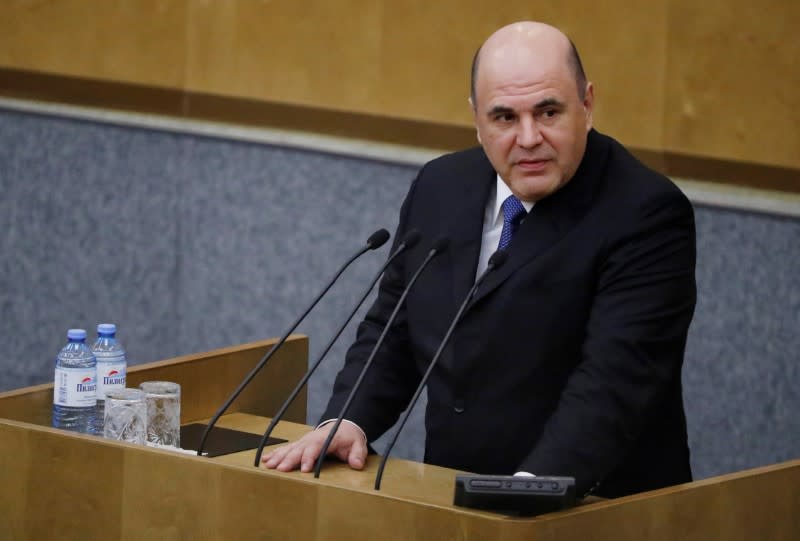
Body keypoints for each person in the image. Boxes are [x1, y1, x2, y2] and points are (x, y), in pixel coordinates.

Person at [262, 21, 696, 498]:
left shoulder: (644, 212)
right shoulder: (441, 186)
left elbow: (615, 380)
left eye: (548, 112)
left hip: (588, 506)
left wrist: (532, 490)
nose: (529, 138)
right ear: (476, 118)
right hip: (453, 500)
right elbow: (396, 327)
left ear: (587, 105)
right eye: (505, 118)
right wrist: (349, 418)